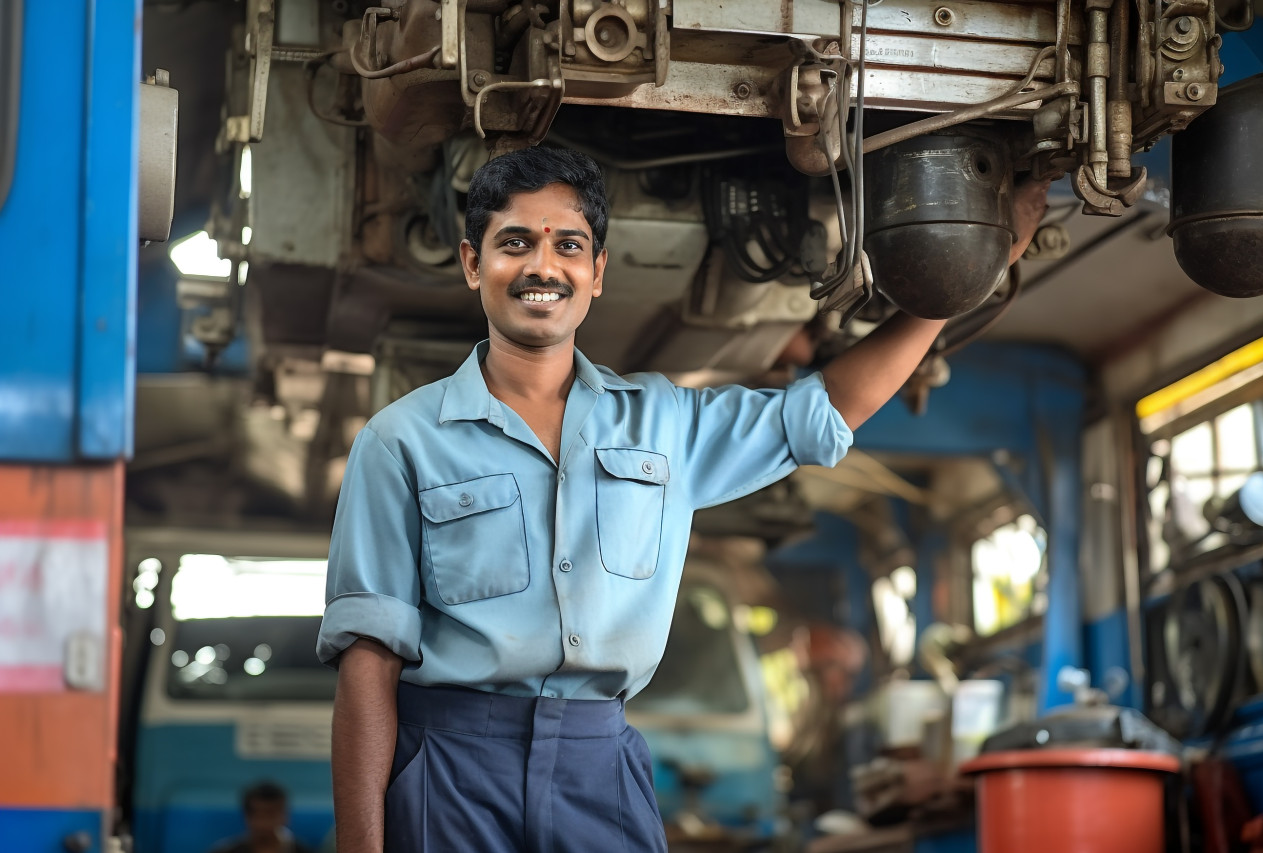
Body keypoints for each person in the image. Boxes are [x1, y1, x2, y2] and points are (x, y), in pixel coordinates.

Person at [316, 146, 1050, 853]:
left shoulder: (666, 424)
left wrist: (971, 273)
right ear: (475, 262)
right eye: (514, 243)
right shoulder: (400, 442)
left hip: (598, 766)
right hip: (450, 767)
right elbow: (368, 664)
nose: (543, 266)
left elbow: (824, 411)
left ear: (597, 271)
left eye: (568, 245)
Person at [208, 781, 313, 853]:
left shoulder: (301, 850)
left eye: (270, 815)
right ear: (247, 817)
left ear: (285, 815)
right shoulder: (225, 851)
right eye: (258, 815)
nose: (264, 823)